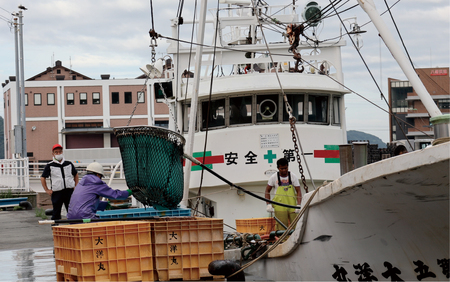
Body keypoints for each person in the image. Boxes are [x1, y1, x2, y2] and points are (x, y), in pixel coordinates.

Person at [67, 162, 132, 219]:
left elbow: (86, 201)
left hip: (71, 217)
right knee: (102, 230)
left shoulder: (81, 183)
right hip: (85, 217)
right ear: (98, 174)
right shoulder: (96, 182)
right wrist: (128, 192)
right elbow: (115, 194)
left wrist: (103, 205)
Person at [41, 144, 79, 220]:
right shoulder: (50, 165)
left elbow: (75, 174)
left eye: (59, 152)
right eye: (56, 152)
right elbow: (43, 178)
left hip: (69, 191)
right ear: (53, 154)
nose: (58, 154)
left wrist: (76, 186)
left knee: (72, 211)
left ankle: (73, 226)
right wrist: (47, 189)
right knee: (56, 211)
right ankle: (55, 228)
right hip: (57, 192)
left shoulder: (69, 164)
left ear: (62, 152)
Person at [265, 158, 302, 230]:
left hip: (292, 206)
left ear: (288, 167)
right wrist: (268, 204)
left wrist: (299, 204)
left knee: (296, 226)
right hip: (279, 207)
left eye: (285, 168)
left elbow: (298, 191)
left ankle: (296, 240)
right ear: (278, 168)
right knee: (281, 227)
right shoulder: (273, 177)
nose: (284, 170)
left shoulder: (293, 176)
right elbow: (267, 190)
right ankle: (283, 240)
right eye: (282, 168)